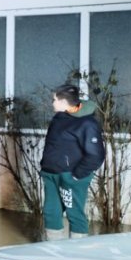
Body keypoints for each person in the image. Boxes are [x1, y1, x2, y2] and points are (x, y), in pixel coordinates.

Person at [40, 84, 105, 240]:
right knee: (51, 213)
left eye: (54, 100)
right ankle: (53, 250)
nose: (52, 103)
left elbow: (96, 155)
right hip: (51, 174)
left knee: (74, 213)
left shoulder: (87, 123)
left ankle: (78, 251)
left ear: (63, 102)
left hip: (70, 176)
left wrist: (76, 176)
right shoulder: (59, 117)